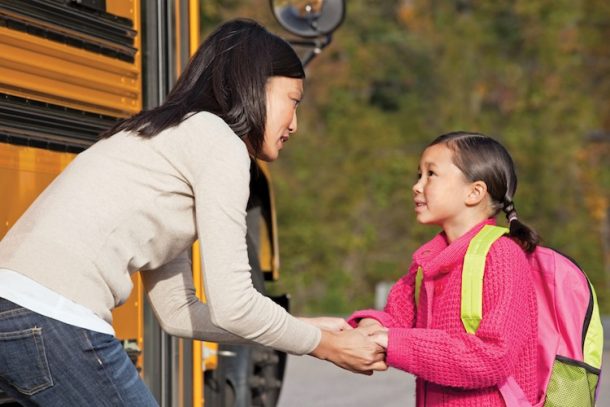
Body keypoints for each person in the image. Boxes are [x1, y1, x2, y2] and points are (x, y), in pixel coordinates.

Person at [0, 19, 386, 406]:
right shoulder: (220, 144)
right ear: (256, 85)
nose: (295, 124)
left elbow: (178, 312)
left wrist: (301, 328)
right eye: (293, 100)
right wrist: (323, 347)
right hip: (53, 317)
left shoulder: (162, 137)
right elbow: (236, 307)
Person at [349, 132, 540, 405]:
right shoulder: (427, 262)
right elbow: (396, 319)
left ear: (474, 192)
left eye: (431, 175)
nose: (417, 186)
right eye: (418, 175)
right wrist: (371, 325)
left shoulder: (502, 256)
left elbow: (493, 357)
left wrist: (392, 341)